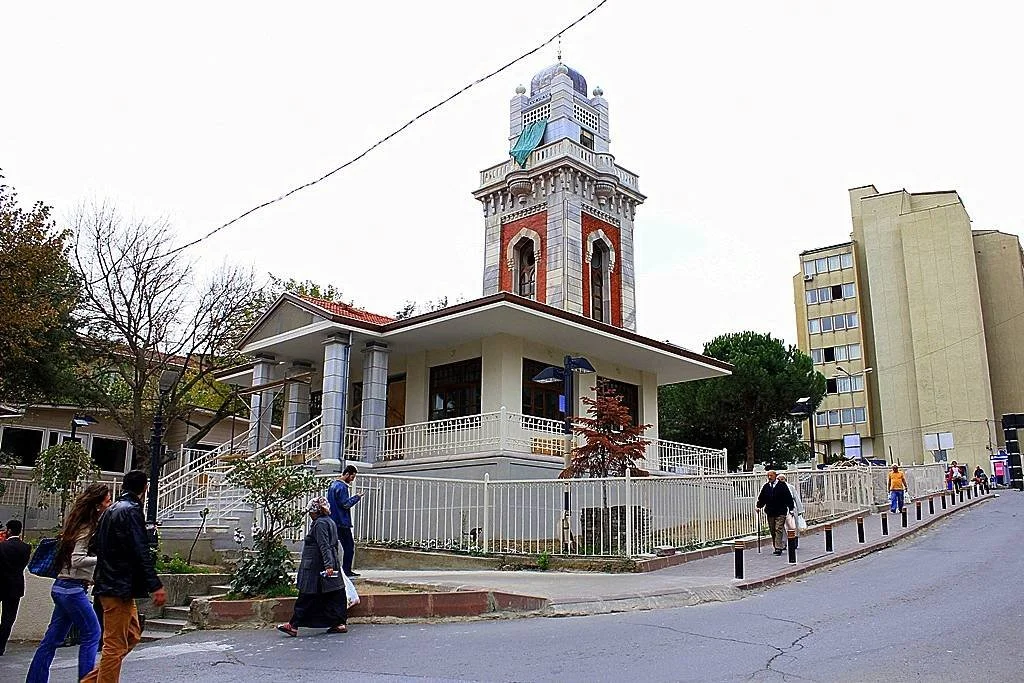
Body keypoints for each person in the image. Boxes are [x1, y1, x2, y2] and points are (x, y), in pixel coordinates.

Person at [82, 471, 166, 683]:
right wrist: (155, 585)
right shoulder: (131, 511)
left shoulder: (111, 511)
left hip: (113, 584)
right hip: (118, 587)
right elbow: (141, 549)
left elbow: (96, 545)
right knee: (115, 644)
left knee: (131, 634)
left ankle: (90, 681)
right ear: (145, 488)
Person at [27, 483, 112, 682]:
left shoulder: (75, 524)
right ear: (98, 505)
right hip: (73, 589)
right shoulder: (87, 528)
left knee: (51, 640)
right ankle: (86, 679)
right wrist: (103, 558)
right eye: (108, 501)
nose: (110, 505)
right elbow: (77, 559)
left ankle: (35, 679)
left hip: (61, 587)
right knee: (92, 633)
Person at [277, 497, 348, 637]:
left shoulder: (320, 524)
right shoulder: (330, 521)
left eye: (311, 511)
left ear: (316, 511)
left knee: (307, 595)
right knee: (334, 593)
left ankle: (293, 625)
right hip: (327, 563)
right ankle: (339, 623)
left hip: (316, 566)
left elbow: (324, 545)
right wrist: (332, 563)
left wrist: (328, 565)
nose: (310, 514)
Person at [0, 520, 31, 655]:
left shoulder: (2, 546)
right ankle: (1, 645)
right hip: (16, 585)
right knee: (9, 617)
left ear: (9, 530)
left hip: (1, 583)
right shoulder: (26, 547)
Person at [327, 465, 362, 577]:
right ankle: (346, 570)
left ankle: (333, 569)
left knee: (332, 546)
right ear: (347, 474)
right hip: (342, 522)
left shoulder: (332, 485)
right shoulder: (342, 487)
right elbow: (345, 504)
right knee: (349, 547)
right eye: (352, 477)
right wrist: (356, 497)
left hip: (333, 520)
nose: (352, 480)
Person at [756, 470, 794, 556]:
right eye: (768, 476)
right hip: (770, 512)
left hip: (781, 511)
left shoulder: (782, 485)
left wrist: (791, 508)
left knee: (778, 528)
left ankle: (778, 547)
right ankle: (776, 545)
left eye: (771, 475)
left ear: (775, 476)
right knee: (772, 530)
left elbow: (788, 497)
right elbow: (762, 498)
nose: (769, 477)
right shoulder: (766, 486)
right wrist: (758, 506)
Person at [776, 473, 804, 549]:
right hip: (781, 510)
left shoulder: (791, 487)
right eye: (779, 479)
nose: (781, 481)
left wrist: (800, 510)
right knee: (781, 527)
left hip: (791, 509)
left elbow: (796, 498)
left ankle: (794, 541)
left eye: (782, 479)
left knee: (793, 526)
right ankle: (783, 544)